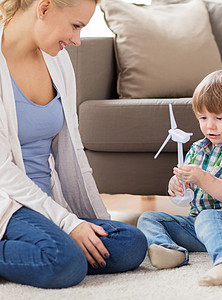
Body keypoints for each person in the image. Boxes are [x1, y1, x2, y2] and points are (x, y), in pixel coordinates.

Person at [0, 0, 147, 289]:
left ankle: (44, 247)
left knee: (130, 242)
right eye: (75, 26)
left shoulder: (57, 60)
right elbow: (2, 170)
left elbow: (72, 154)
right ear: (43, 9)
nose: (77, 40)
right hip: (9, 204)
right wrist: (69, 225)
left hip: (47, 205)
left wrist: (89, 222)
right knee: (65, 263)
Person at [137, 69, 222, 286]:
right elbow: (189, 183)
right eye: (203, 117)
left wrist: (203, 178)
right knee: (149, 217)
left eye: (219, 118)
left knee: (209, 217)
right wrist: (177, 183)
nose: (210, 125)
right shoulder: (198, 148)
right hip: (199, 224)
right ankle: (171, 252)